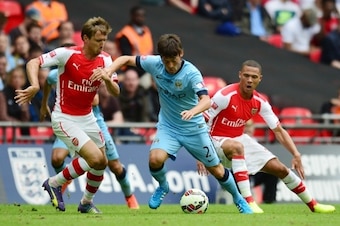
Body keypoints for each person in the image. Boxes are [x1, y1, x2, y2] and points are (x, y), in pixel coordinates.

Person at [93, 33, 253, 214]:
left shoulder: (191, 73)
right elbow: (124, 58)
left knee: (216, 169)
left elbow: (206, 101)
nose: (169, 65)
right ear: (161, 58)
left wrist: (193, 111)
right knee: (154, 160)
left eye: (173, 60)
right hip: (168, 127)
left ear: (181, 54)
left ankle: (239, 200)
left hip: (194, 128)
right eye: (166, 61)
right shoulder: (154, 64)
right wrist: (109, 70)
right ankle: (163, 186)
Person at [200, 59, 335, 213]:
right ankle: (249, 203)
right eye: (246, 75)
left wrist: (296, 154)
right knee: (238, 147)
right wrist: (202, 152)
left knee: (281, 169)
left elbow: (279, 130)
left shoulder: (260, 102)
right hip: (214, 139)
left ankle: (314, 205)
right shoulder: (225, 95)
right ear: (240, 75)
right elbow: (201, 122)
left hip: (239, 138)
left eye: (254, 77)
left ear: (260, 79)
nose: (249, 80)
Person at [14, 17, 120, 214]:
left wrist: (107, 78)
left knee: (101, 163)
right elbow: (33, 62)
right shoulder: (67, 54)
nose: (102, 44)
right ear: (85, 39)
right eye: (98, 40)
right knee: (96, 159)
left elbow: (116, 92)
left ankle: (86, 203)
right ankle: (54, 183)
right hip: (65, 118)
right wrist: (35, 85)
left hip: (88, 117)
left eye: (104, 40)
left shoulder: (105, 59)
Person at [40, 68, 140, 209]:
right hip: (69, 121)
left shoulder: (91, 69)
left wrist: (70, 90)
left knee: (113, 165)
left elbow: (95, 100)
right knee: (57, 157)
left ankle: (129, 196)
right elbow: (47, 82)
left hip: (94, 122)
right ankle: (64, 182)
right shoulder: (55, 74)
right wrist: (44, 103)